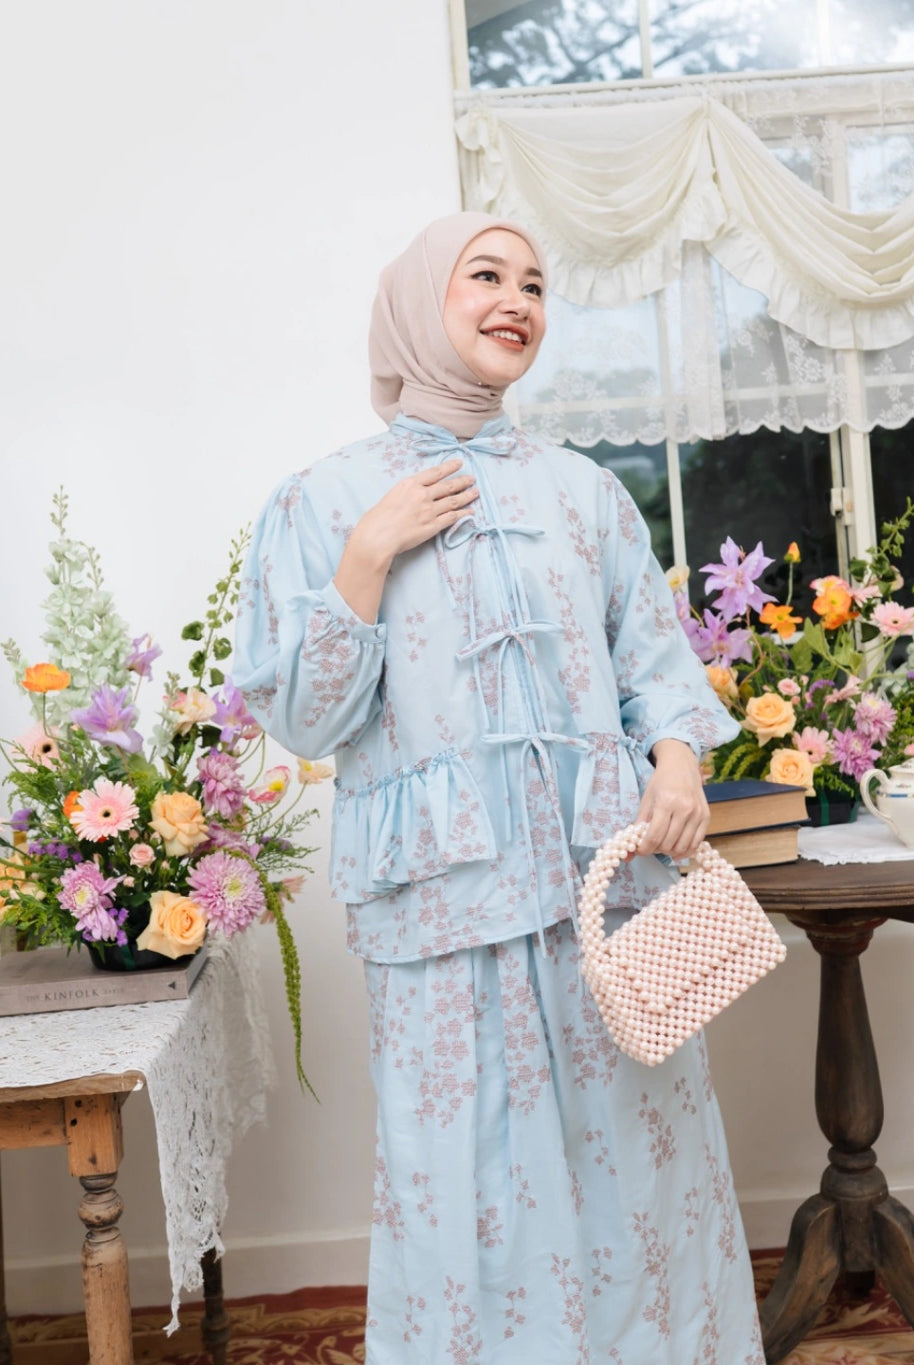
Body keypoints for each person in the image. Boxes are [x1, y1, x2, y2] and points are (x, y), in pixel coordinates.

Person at [233, 212, 764, 1363]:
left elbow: (653, 665)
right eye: (484, 276)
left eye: (532, 284)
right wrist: (366, 557)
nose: (515, 301)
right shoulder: (322, 500)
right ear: (418, 301)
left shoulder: (585, 493)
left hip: (600, 895)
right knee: (465, 1192)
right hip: (445, 907)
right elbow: (306, 718)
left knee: (640, 1173)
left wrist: (676, 760)